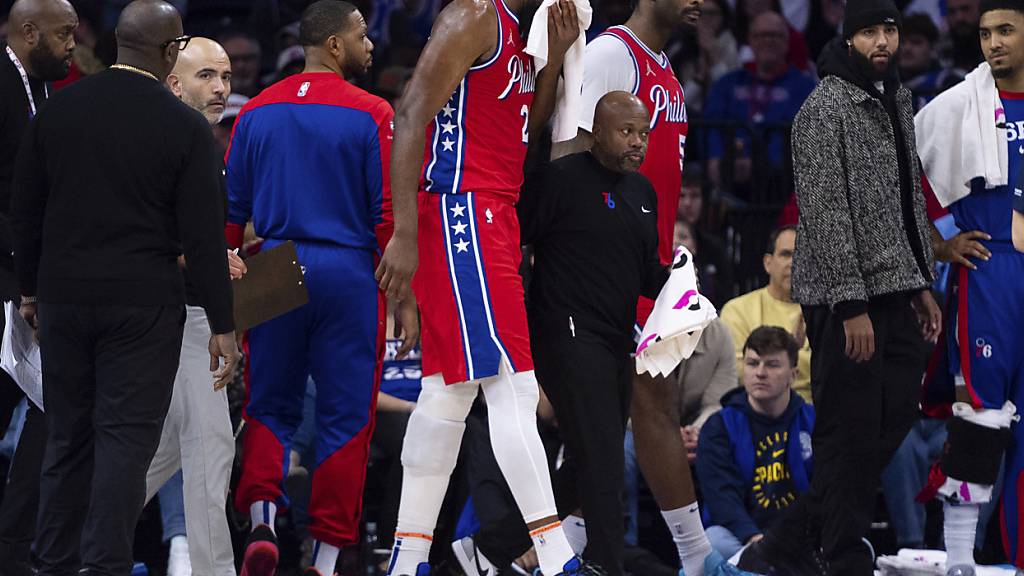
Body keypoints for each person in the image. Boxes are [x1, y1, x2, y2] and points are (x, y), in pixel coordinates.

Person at [9, 1, 241, 574]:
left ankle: (52, 562)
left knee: (66, 439)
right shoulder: (185, 127)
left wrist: (32, 292)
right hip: (143, 306)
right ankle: (103, 564)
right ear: (170, 54)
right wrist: (223, 324)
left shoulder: (57, 110)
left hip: (62, 300)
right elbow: (205, 240)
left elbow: (26, 213)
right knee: (122, 443)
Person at [373, 0, 595, 571]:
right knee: (514, 389)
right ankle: (554, 557)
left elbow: (524, 125)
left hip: (490, 209)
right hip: (461, 209)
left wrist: (551, 67)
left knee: (448, 393)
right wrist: (402, 232)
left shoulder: (522, 32)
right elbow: (410, 114)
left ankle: (407, 557)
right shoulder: (473, 15)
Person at [738, 0, 941, 573]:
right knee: (847, 434)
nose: (882, 42)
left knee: (894, 417)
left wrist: (921, 280)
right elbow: (824, 215)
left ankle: (786, 546)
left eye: (890, 30)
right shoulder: (822, 109)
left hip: (898, 287)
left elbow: (909, 201)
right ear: (849, 38)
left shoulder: (896, 96)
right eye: (870, 32)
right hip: (845, 298)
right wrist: (850, 305)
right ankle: (843, 553)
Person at [552, 0, 742, 572]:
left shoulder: (665, 70)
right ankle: (696, 556)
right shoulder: (612, 52)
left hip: (652, 265)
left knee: (606, 425)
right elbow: (567, 150)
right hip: (610, 265)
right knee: (652, 405)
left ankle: (553, 547)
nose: (699, 3)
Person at [224, 3, 413, 576]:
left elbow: (231, 217)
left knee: (267, 405)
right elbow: (387, 217)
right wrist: (407, 300)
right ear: (334, 44)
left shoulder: (255, 110)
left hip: (273, 261)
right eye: (362, 36)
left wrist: (221, 297)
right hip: (348, 270)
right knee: (346, 417)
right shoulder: (373, 110)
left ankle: (262, 518)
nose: (371, 45)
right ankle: (326, 558)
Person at [520, 91, 670, 575]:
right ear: (598, 131)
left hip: (615, 340)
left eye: (644, 134)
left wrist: (682, 281)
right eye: (627, 132)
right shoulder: (559, 181)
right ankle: (607, 564)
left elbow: (646, 270)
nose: (638, 143)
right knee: (603, 453)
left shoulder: (642, 192)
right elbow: (517, 243)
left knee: (590, 459)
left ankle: (486, 546)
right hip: (564, 331)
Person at [914, 0, 1024, 571]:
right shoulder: (958, 105)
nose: (992, 43)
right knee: (978, 412)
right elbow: (907, 179)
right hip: (992, 267)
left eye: (1005, 30)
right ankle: (958, 554)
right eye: (984, 33)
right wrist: (940, 243)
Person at [140, 36, 244, 576]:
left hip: (192, 314)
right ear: (174, 83)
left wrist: (215, 256)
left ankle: (74, 539)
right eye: (206, 76)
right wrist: (195, 260)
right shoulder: (163, 141)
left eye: (224, 75)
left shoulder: (204, 143)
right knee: (210, 450)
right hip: (178, 318)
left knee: (162, 451)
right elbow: (135, 230)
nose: (221, 87)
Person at [0, 1, 77, 574]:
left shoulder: (46, 90)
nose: (74, 43)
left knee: (48, 414)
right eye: (64, 34)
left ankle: (14, 547)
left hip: (32, 282)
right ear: (29, 32)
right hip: (7, 279)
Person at [697, 326, 813, 560]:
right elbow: (722, 497)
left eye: (772, 365)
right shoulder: (719, 426)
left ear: (794, 374)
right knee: (712, 544)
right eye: (752, 363)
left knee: (859, 545)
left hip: (802, 538)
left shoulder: (814, 422)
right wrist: (755, 540)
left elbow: (826, 490)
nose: (760, 373)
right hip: (743, 540)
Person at [704, 11, 816, 192]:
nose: (768, 41)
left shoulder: (804, 88)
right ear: (750, 41)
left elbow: (804, 137)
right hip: (727, 180)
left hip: (780, 186)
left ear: (787, 42)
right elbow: (710, 126)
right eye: (761, 35)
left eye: (775, 35)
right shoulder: (727, 84)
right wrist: (716, 156)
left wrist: (759, 164)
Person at [719, 226, 811, 402]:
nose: (794, 263)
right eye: (786, 254)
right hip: (754, 412)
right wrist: (794, 352)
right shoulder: (738, 310)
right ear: (768, 263)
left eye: (802, 255)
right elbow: (737, 371)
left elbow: (830, 372)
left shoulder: (825, 313)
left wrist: (768, 362)